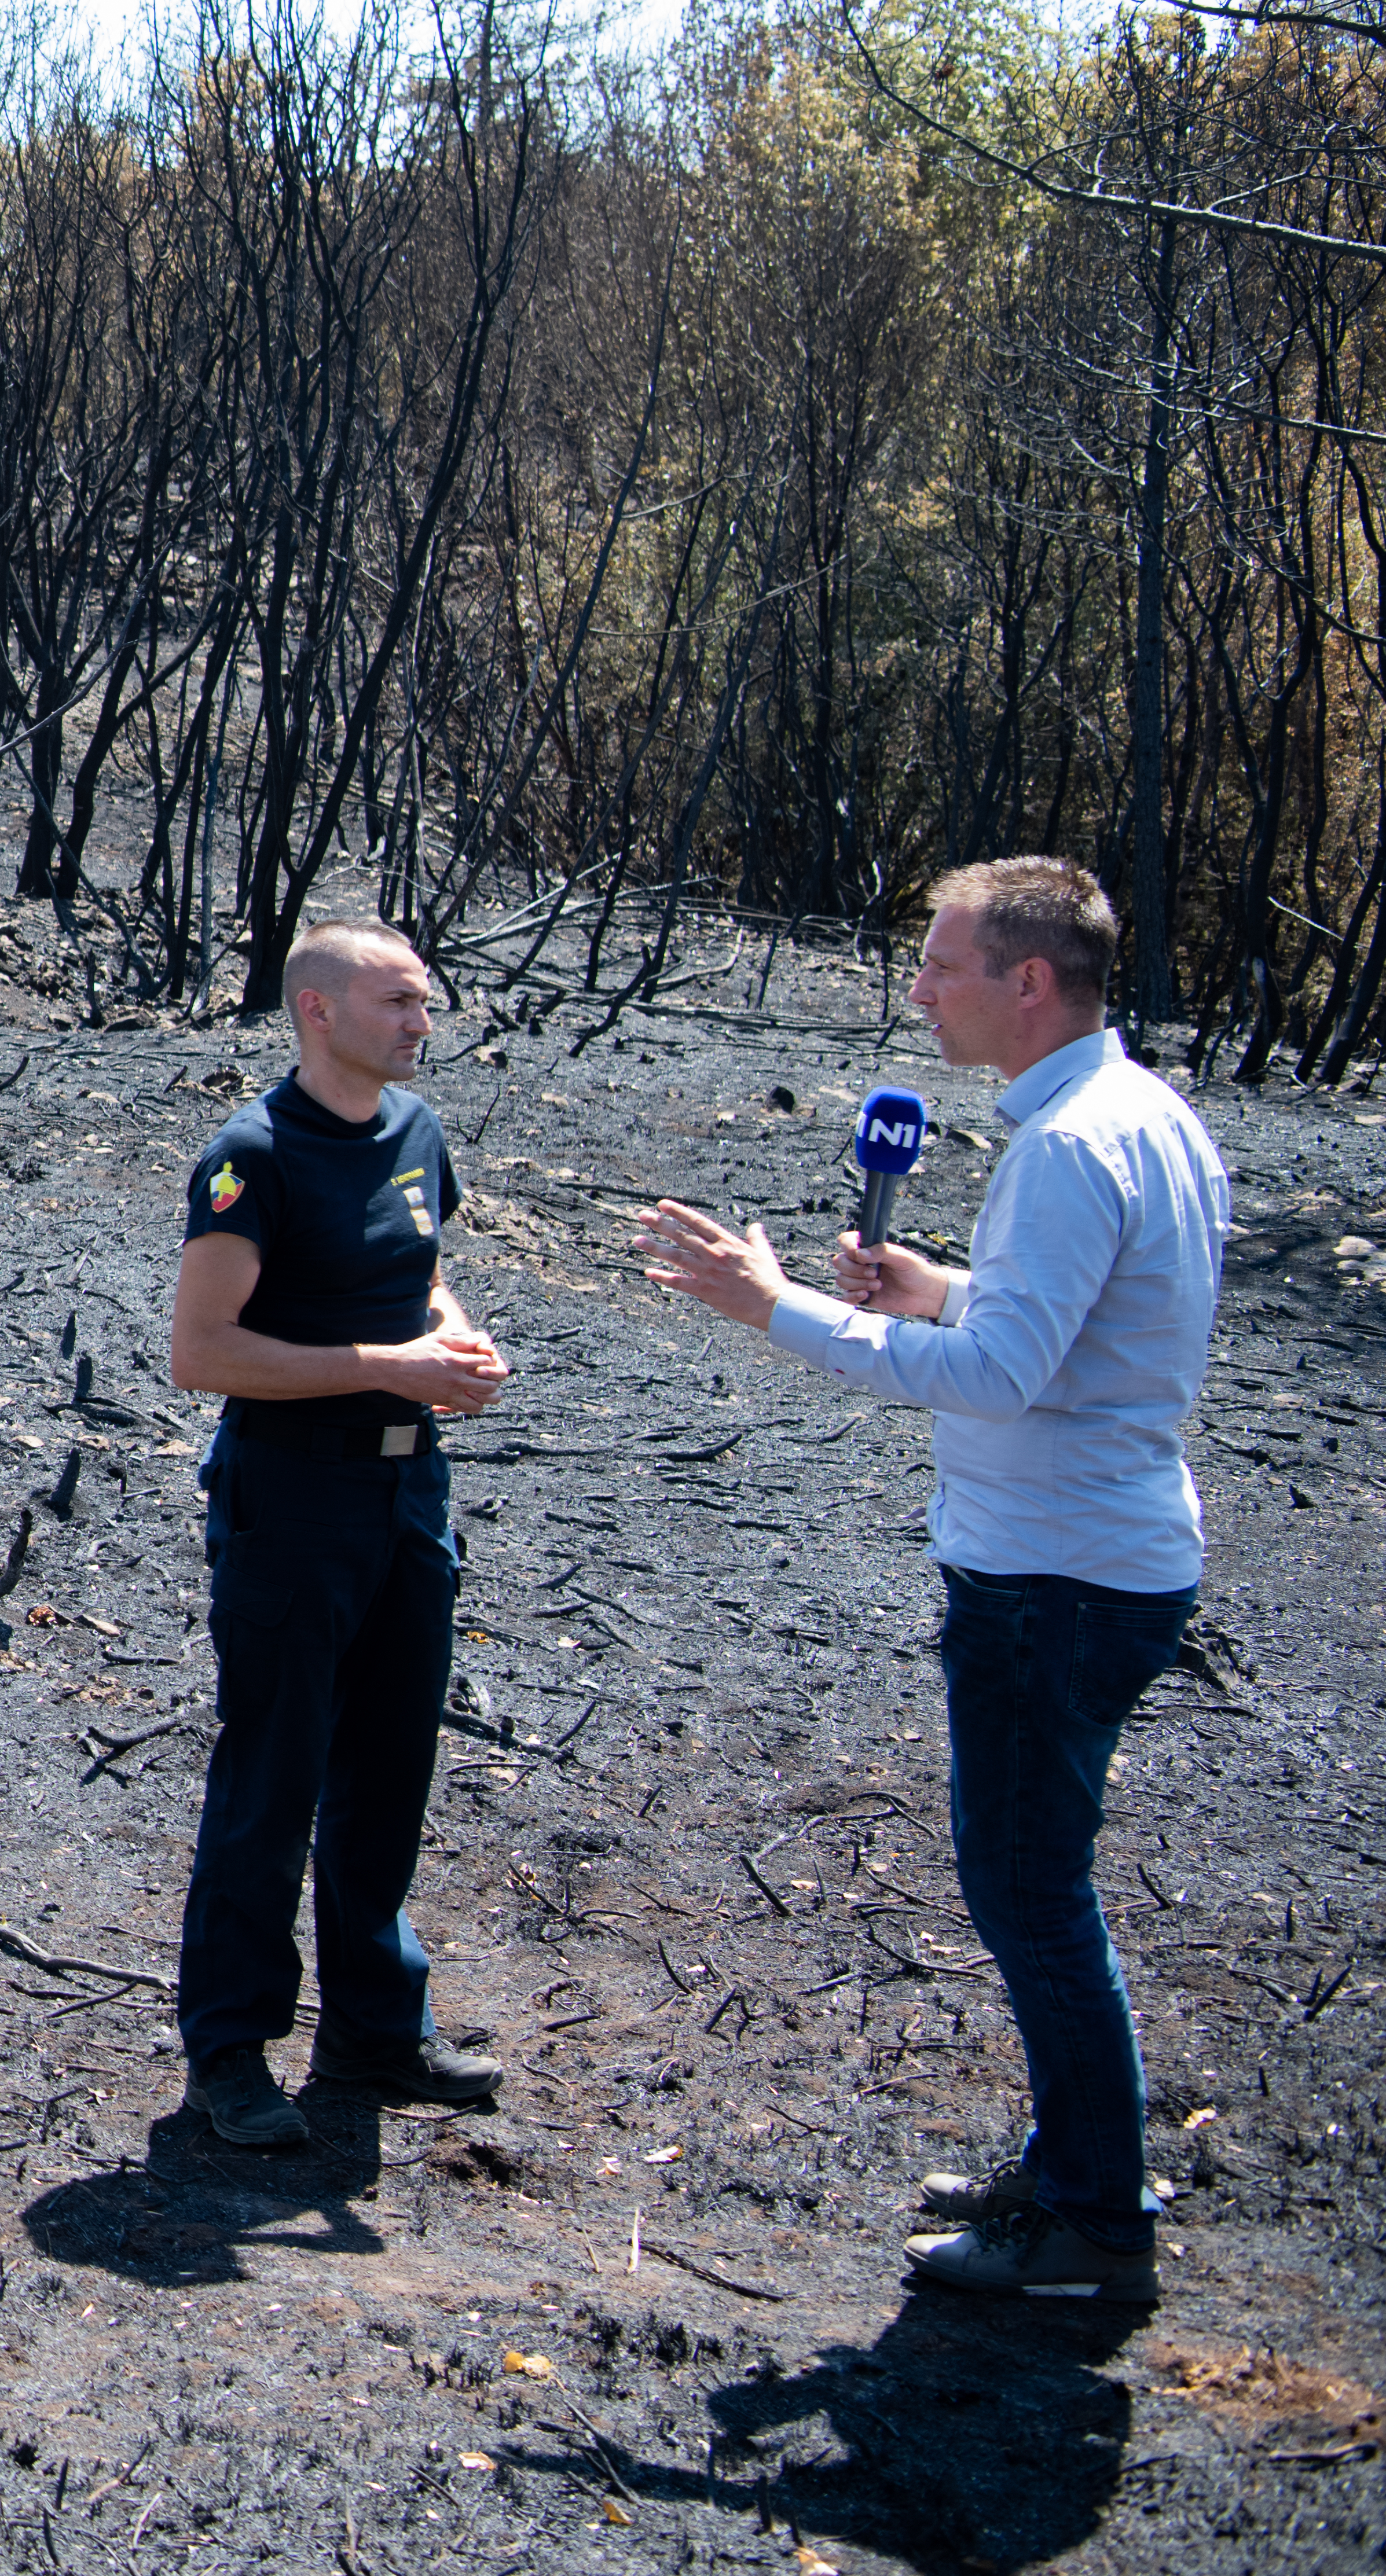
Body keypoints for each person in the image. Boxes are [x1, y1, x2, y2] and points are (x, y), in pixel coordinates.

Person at [640, 857, 1229, 2306]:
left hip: (1058, 1577)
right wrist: (940, 1287)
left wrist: (779, 1309)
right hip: (1101, 1557)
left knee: (1031, 1895)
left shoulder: (1070, 1148)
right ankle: (1077, 2159)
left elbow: (1004, 1380)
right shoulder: (1143, 1117)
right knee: (1041, 1885)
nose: (918, 990)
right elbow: (1076, 1330)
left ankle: (1093, 2221)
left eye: (943, 963)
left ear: (1031, 982)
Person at [166, 920, 512, 2151]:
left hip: (409, 1497)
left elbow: (419, 1274)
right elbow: (201, 1352)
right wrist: (391, 1365)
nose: (423, 1022)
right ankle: (231, 2044)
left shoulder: (417, 1134)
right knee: (275, 1773)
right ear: (319, 1011)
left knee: (390, 1768)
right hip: (292, 1498)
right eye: (399, 1003)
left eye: (424, 1002)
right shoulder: (252, 1155)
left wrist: (454, 1341)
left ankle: (375, 2025)